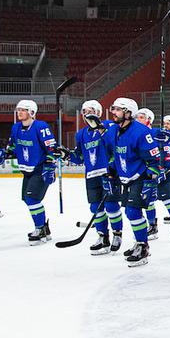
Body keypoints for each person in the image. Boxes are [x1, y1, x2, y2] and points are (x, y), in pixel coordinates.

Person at [98, 97, 164, 267]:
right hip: (125, 177)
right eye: (114, 109)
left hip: (140, 177)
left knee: (133, 212)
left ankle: (143, 246)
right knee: (130, 212)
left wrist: (151, 180)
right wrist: (111, 171)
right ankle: (140, 242)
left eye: (118, 109)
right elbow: (112, 153)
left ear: (128, 112)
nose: (114, 112)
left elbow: (155, 159)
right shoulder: (113, 131)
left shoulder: (141, 131)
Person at [55, 100, 125, 255]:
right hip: (91, 175)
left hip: (108, 173)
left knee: (111, 206)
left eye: (90, 110)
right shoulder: (81, 134)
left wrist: (113, 169)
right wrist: (67, 155)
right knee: (95, 208)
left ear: (99, 113)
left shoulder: (109, 126)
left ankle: (117, 235)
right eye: (84, 111)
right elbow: (79, 157)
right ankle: (102, 237)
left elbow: (115, 146)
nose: (86, 113)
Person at [0, 99, 59, 245]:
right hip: (26, 171)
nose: (19, 112)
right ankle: (43, 229)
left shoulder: (40, 127)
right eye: (19, 109)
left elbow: (52, 148)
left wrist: (50, 166)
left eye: (23, 110)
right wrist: (4, 153)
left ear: (31, 112)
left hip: (40, 169)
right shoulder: (16, 128)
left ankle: (40, 229)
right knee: (27, 199)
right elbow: (13, 146)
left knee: (32, 199)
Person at [135, 107, 161, 239]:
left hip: (150, 171)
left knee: (149, 200)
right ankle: (143, 226)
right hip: (136, 172)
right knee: (136, 203)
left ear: (148, 120)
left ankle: (152, 225)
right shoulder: (134, 133)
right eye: (136, 117)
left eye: (141, 117)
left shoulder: (155, 133)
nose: (137, 120)